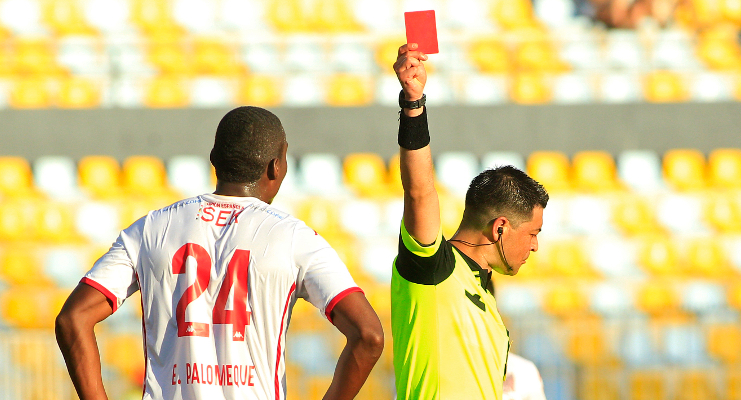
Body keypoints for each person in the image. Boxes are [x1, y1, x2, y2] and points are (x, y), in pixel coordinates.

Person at [55, 106, 384, 400]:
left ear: (214, 160)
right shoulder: (295, 238)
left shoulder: (151, 228)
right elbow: (368, 336)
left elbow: (73, 318)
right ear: (276, 166)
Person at [390, 43, 549, 400]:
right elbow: (419, 192)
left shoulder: (486, 297)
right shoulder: (434, 268)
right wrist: (413, 105)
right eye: (534, 233)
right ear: (500, 228)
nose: (536, 245)